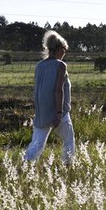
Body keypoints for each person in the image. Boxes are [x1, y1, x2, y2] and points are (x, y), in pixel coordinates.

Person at [24, 30, 75, 164]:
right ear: (58, 48)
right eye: (64, 49)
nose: (65, 53)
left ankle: (26, 164)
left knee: (37, 142)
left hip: (42, 111)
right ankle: (68, 164)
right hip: (59, 110)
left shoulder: (39, 65)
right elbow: (58, 90)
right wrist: (59, 113)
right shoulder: (60, 65)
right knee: (68, 140)